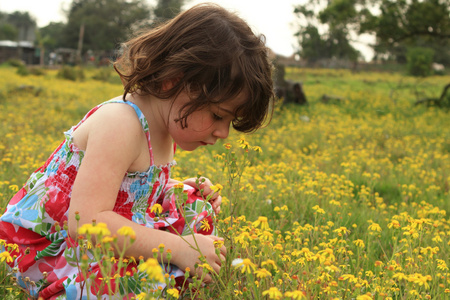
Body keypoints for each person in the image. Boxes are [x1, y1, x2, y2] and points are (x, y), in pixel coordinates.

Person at [0, 3, 274, 299]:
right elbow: (85, 221)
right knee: (135, 284)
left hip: (101, 240)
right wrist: (180, 249)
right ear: (174, 80)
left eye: (230, 122)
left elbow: (129, 190)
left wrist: (177, 189)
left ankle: (172, 278)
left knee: (196, 206)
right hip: (53, 249)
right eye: (218, 115)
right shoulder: (121, 123)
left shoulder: (165, 125)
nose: (222, 133)